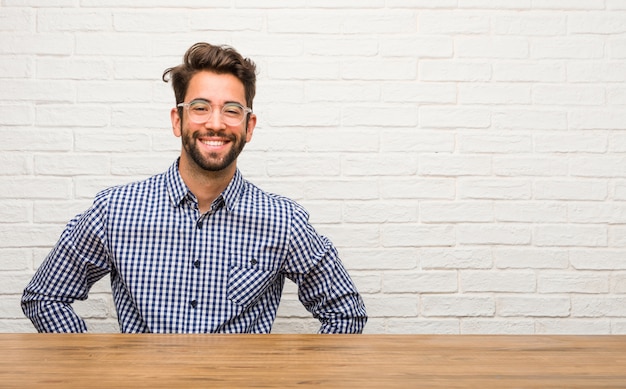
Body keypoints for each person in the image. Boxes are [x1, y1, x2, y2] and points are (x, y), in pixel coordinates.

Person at [21, 42, 367, 334]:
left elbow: (345, 312)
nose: (215, 123)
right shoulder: (115, 210)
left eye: (232, 110)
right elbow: (44, 297)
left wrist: (289, 376)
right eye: (200, 108)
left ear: (249, 126)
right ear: (178, 120)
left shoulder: (282, 220)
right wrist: (98, 368)